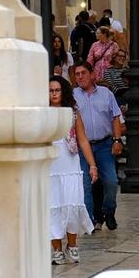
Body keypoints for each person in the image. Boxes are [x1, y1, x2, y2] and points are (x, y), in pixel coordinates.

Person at [46, 75, 97, 264]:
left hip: (70, 162)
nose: (54, 94)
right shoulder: (42, 112)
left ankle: (73, 245)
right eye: (51, 90)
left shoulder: (73, 112)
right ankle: (57, 248)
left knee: (72, 203)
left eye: (57, 90)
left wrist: (92, 165)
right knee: (53, 205)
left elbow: (82, 139)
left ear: (64, 91)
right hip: (50, 164)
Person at [69, 62, 125, 232]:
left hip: (104, 144)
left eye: (83, 73)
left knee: (111, 181)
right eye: (77, 74)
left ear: (92, 74)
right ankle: (91, 219)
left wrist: (117, 140)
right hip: (82, 147)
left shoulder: (106, 94)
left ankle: (109, 210)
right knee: (85, 183)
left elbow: (115, 117)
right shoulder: (72, 96)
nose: (80, 77)